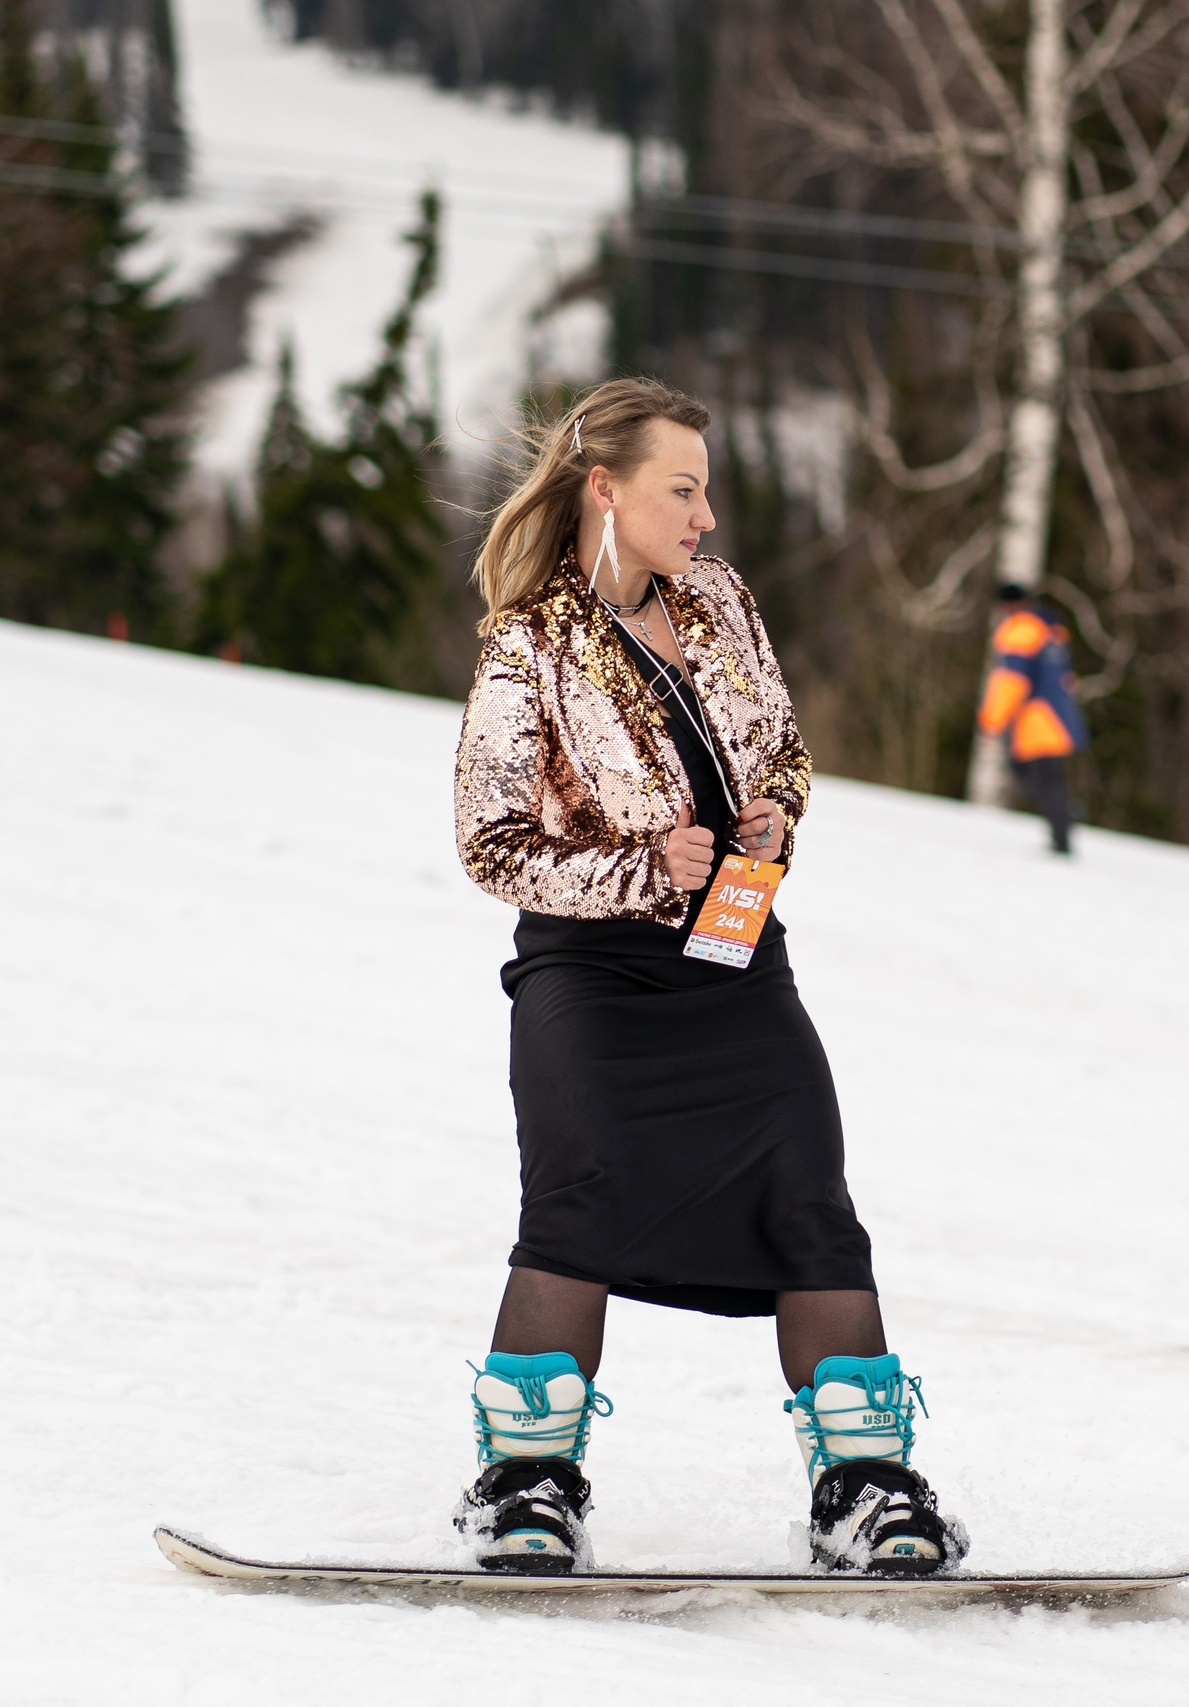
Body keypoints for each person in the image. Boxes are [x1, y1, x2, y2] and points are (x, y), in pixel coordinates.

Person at [449, 376, 963, 1576]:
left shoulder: (721, 603)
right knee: (577, 1205)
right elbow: (491, 842)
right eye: (682, 489)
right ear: (604, 489)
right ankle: (523, 1488)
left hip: (736, 965)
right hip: (592, 980)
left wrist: (774, 813)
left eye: (707, 490)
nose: (706, 516)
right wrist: (640, 865)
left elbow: (778, 740)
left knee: (810, 1203)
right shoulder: (529, 643)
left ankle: (867, 1490)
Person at [977, 582, 1089, 854]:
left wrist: (991, 719)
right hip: (1058, 715)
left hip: (1037, 719)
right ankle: (1063, 815)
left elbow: (1012, 680)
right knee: (1043, 778)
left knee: (1038, 778)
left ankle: (1062, 831)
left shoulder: (1022, 631)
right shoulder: (1050, 630)